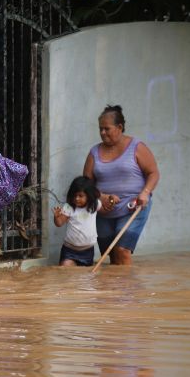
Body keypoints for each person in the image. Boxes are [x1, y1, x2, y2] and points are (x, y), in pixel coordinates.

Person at [83, 105, 159, 266]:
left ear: (119, 127)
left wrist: (145, 192)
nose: (103, 132)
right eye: (100, 129)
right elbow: (85, 184)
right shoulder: (94, 152)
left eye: (107, 129)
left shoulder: (137, 147)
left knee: (122, 250)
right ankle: (117, 283)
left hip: (133, 207)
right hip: (103, 211)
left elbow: (153, 173)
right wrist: (101, 197)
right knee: (111, 255)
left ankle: (127, 283)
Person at [52, 176, 102, 266]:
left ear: (89, 195)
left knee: (84, 274)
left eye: (80, 196)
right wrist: (56, 217)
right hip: (69, 250)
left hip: (88, 251)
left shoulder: (95, 205)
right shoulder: (69, 207)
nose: (77, 199)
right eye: (74, 196)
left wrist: (111, 202)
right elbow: (59, 223)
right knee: (65, 268)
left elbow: (105, 210)